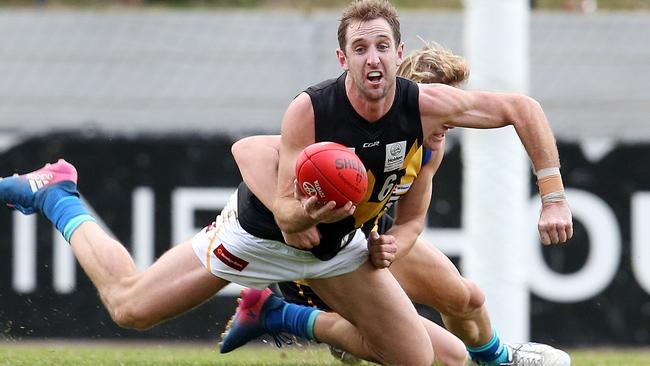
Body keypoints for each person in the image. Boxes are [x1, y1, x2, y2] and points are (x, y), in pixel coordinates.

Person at [231, 40, 571, 366]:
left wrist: (394, 246)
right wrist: (288, 213)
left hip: (364, 238)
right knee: (447, 356)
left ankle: (497, 360)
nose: (448, 122)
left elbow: (412, 221)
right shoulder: (341, 136)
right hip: (319, 258)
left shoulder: (429, 149)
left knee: (467, 298)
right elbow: (248, 149)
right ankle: (283, 314)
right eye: (440, 105)